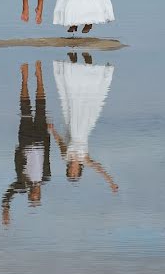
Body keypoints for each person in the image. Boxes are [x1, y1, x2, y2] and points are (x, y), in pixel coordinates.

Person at [49, 53, 118, 193]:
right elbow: (99, 168)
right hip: (84, 127)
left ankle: (73, 68)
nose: (73, 170)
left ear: (68, 170)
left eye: (71, 172)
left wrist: (52, 130)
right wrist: (110, 181)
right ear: (79, 170)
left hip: (73, 125)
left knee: (71, 101)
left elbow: (61, 142)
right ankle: (89, 70)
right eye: (74, 173)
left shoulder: (66, 156)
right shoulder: (84, 159)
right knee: (89, 102)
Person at [1, 61, 52, 226]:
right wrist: (49, 136)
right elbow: (48, 157)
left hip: (26, 140)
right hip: (42, 139)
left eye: (33, 196)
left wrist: (6, 208)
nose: (35, 193)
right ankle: (39, 77)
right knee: (41, 106)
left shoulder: (22, 183)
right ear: (40, 194)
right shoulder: (46, 177)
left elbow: (8, 194)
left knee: (25, 108)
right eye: (37, 195)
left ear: (30, 194)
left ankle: (24, 79)